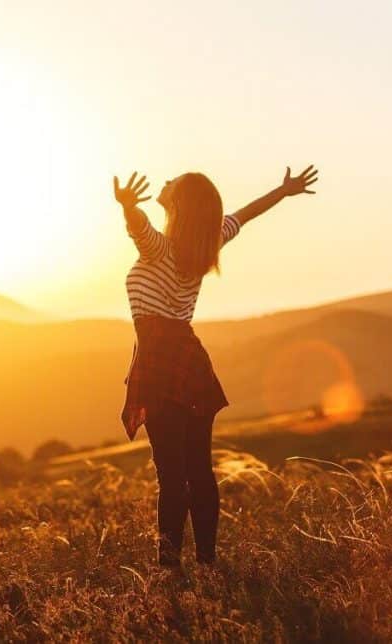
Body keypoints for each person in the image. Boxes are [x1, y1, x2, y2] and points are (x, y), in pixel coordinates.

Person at [113, 165, 319, 567]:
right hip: (190, 362)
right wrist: (282, 190)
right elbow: (245, 214)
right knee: (199, 471)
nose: (166, 181)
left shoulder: (160, 248)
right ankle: (207, 563)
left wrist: (127, 209)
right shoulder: (206, 243)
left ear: (179, 201)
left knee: (172, 477)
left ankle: (169, 572)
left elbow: (140, 229)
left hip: (159, 363)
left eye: (172, 181)